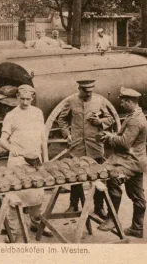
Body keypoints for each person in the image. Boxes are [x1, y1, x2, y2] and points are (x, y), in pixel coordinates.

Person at [0, 84, 52, 241]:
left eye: (28, 99)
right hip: (17, 161)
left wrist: (46, 159)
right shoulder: (11, 115)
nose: (25, 102)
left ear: (32, 98)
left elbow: (43, 139)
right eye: (22, 99)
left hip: (35, 161)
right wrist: (12, 149)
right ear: (17, 98)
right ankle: (12, 231)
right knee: (15, 197)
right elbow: (2, 140)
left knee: (37, 194)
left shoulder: (38, 113)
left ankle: (35, 222)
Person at [57, 80, 115, 219]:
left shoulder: (100, 101)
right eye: (86, 90)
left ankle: (99, 207)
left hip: (94, 146)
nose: (89, 93)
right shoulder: (71, 101)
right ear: (79, 89)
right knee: (76, 176)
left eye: (91, 90)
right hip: (77, 146)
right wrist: (67, 134)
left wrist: (99, 121)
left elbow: (110, 118)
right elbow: (62, 119)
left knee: (98, 177)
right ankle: (73, 205)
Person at [97, 87, 147, 238]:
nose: (121, 105)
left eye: (123, 102)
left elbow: (125, 143)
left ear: (130, 102)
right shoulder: (134, 115)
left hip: (130, 162)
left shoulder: (135, 120)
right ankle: (137, 228)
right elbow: (125, 137)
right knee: (137, 196)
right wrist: (112, 134)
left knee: (112, 179)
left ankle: (112, 218)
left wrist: (108, 138)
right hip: (136, 161)